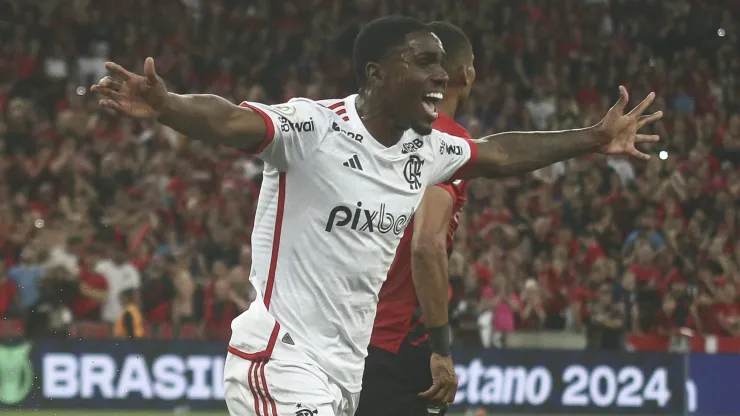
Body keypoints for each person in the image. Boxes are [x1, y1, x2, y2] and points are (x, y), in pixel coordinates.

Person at [91, 15, 661, 416]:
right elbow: (233, 122)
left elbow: (502, 153)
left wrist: (593, 137)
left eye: (443, 63)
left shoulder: (427, 150)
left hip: (347, 374)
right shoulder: (314, 128)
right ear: (375, 75)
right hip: (282, 359)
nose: (441, 75)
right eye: (423, 62)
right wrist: (167, 106)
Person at [356, 21, 475, 416]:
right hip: (401, 341)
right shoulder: (446, 141)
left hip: (359, 330)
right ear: (466, 73)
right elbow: (426, 243)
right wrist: (441, 349)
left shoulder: (392, 130)